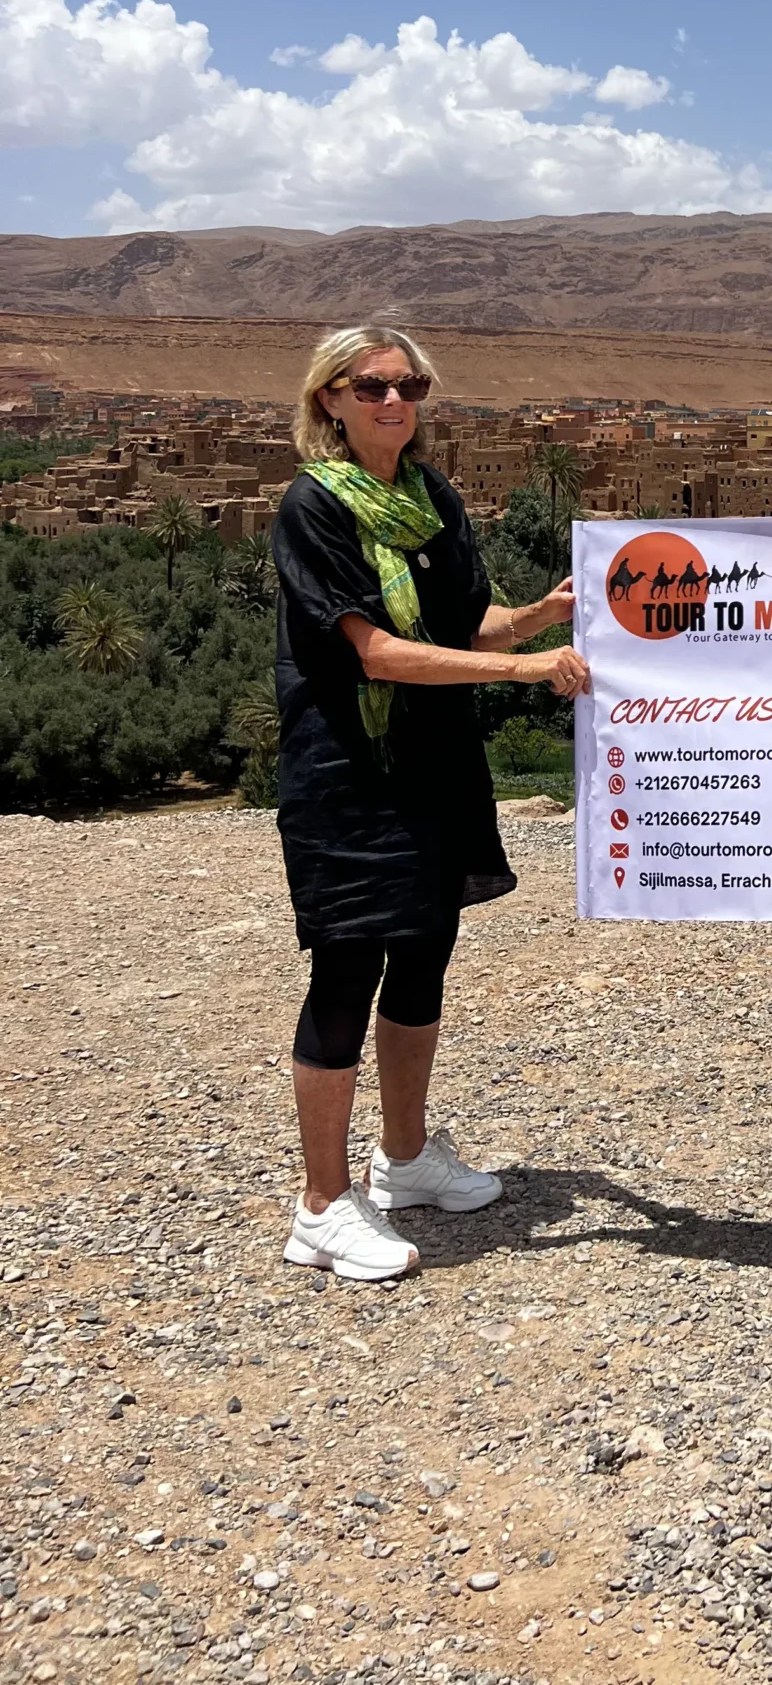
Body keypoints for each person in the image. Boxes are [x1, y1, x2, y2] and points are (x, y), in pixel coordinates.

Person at [272, 325, 591, 1281]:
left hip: (435, 765)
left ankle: (404, 1159)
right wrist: (527, 670)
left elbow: (464, 627)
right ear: (329, 398)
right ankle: (321, 1206)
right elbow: (374, 653)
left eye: (409, 385)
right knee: (346, 974)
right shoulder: (313, 506)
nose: (392, 401)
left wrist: (536, 618)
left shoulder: (429, 496)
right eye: (371, 386)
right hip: (350, 771)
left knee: (421, 958)